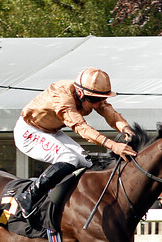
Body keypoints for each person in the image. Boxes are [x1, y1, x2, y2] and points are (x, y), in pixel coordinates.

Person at [13, 67, 137, 216]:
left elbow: (109, 112)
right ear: (80, 92)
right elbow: (81, 128)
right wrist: (113, 145)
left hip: (52, 131)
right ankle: (28, 196)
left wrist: (126, 129)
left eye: (101, 99)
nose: (97, 104)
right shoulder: (62, 96)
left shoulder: (91, 94)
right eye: (93, 100)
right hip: (28, 132)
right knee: (69, 158)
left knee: (86, 161)